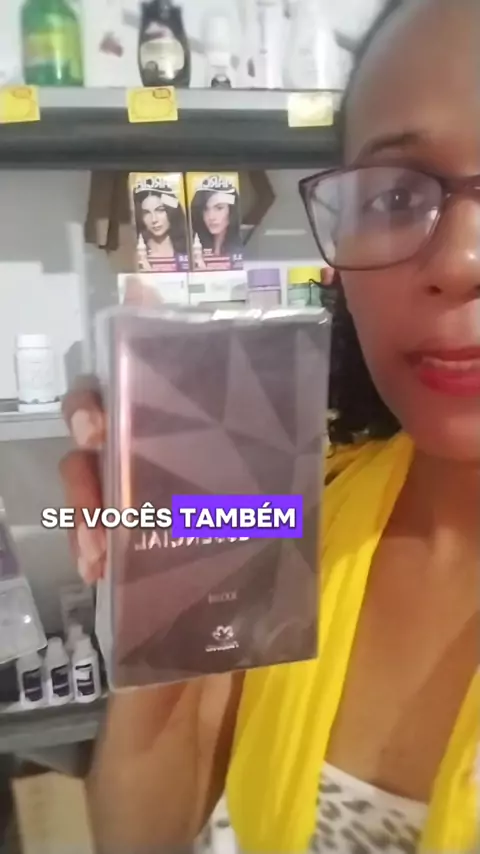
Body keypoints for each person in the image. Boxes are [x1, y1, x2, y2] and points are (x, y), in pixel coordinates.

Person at [60, 0, 479, 851]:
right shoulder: (289, 529)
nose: (460, 260)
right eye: (397, 195)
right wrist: (160, 615)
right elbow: (153, 825)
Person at [133, 187, 188, 271]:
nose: (154, 219)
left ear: (172, 211)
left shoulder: (189, 249)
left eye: (160, 210)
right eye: (146, 213)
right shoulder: (134, 255)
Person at [190, 186, 242, 260]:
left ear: (232, 210)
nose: (211, 217)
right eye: (205, 209)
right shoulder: (192, 247)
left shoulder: (243, 251)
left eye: (219, 208)